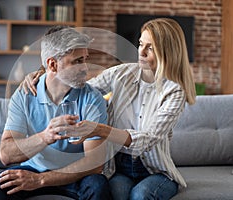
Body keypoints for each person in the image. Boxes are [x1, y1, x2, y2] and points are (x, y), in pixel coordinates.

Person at [20, 18, 196, 200]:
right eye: (140, 44)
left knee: (140, 195)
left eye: (150, 48)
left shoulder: (174, 92)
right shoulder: (123, 73)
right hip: (119, 167)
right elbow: (79, 84)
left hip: (154, 170)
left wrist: (98, 129)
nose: (141, 52)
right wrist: (46, 73)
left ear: (167, 52)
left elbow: (147, 140)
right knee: (115, 193)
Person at [0, 26, 111, 200]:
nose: (85, 68)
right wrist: (45, 137)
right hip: (35, 166)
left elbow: (94, 163)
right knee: (0, 185)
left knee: (98, 185)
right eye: (77, 61)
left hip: (76, 173)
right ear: (52, 64)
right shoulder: (24, 95)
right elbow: (6, 155)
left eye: (85, 59)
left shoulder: (93, 99)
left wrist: (40, 180)